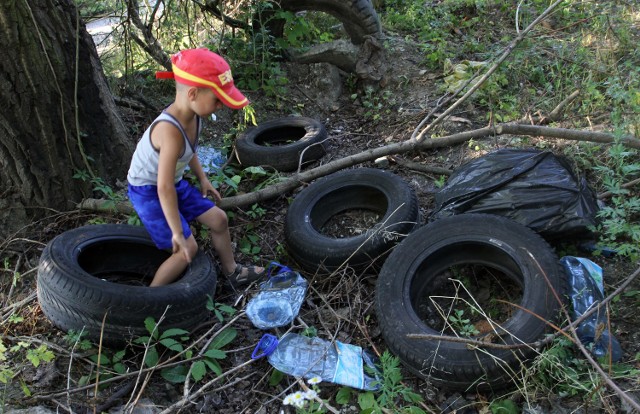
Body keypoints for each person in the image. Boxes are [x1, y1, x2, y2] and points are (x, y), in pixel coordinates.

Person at [127, 48, 265, 287]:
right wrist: (177, 233)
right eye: (217, 100)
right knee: (186, 249)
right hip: (148, 191)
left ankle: (233, 273)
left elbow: (189, 152)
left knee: (219, 220)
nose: (220, 106)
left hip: (172, 183)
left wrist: (203, 179)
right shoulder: (169, 131)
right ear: (192, 93)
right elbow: (163, 188)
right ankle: (150, 298)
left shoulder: (194, 116)